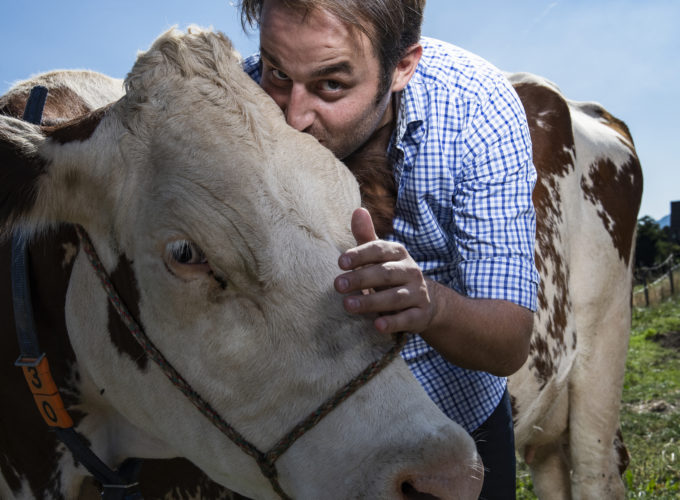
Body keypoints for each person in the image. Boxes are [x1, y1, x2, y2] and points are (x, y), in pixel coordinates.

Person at [238, 0, 539, 497]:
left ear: (402, 66)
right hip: (303, 437)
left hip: (456, 426)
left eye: (331, 85)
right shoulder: (237, 100)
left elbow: (510, 340)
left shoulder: (478, 108)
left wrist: (431, 305)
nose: (293, 117)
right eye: (276, 72)